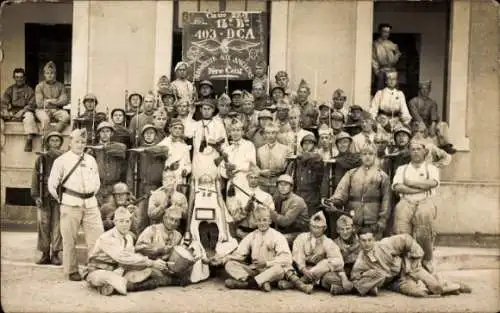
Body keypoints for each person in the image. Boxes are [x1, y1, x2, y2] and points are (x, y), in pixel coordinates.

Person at [48, 129, 104, 281]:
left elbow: (97, 181)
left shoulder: (91, 160)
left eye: (83, 142)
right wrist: (63, 200)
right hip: (70, 203)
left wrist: (90, 194)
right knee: (69, 239)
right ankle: (71, 270)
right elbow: (52, 185)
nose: (80, 145)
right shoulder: (61, 160)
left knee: (97, 238)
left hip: (91, 204)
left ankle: (94, 268)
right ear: (70, 142)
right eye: (77, 142)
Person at [351, 231, 464, 297]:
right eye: (363, 240)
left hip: (409, 268)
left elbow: (406, 239)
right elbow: (355, 279)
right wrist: (371, 285)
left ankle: (453, 285)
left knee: (436, 287)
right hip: (397, 281)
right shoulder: (361, 261)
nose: (367, 244)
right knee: (419, 293)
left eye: (369, 240)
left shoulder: (385, 244)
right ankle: (436, 287)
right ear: (359, 241)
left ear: (374, 239)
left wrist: (415, 260)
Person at [84, 207, 169, 296]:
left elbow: (131, 257)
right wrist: (150, 262)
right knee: (116, 280)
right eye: (121, 221)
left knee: (151, 274)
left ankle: (112, 287)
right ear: (115, 222)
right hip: (98, 270)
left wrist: (145, 265)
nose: (125, 224)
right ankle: (116, 286)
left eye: (127, 221)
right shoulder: (107, 237)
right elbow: (122, 257)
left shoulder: (128, 238)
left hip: (118, 269)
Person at [392, 139, 440, 273]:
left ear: (424, 151)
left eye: (419, 149)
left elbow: (432, 183)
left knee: (423, 230)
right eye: (413, 149)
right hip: (406, 201)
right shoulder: (402, 169)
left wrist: (410, 183)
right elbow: (398, 187)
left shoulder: (431, 168)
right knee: (402, 231)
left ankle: (426, 261)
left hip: (425, 201)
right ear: (409, 152)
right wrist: (419, 187)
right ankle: (405, 264)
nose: (416, 152)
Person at [219, 207, 293, 292]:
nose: (262, 223)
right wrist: (226, 258)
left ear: (270, 221)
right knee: (230, 264)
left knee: (279, 270)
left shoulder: (277, 236)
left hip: (270, 270)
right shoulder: (252, 235)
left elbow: (287, 259)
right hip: (255, 271)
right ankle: (260, 282)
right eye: (259, 220)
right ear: (256, 222)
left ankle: (247, 285)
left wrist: (266, 263)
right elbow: (240, 254)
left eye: (265, 220)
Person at [327, 143, 391, 240]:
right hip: (353, 221)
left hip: (373, 223)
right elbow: (341, 193)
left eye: (371, 154)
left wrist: (382, 220)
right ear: (361, 156)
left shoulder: (382, 176)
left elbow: (386, 200)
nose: (367, 157)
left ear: (375, 156)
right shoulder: (351, 174)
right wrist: (333, 201)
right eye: (365, 154)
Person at [280, 211, 352, 295]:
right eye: (313, 226)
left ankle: (297, 283)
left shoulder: (328, 242)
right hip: (299, 269)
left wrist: (320, 265)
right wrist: (303, 269)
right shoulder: (302, 237)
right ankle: (301, 282)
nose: (316, 230)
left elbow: (338, 260)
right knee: (286, 262)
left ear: (324, 228)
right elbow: (297, 254)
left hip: (318, 271)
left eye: (319, 227)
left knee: (327, 265)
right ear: (310, 226)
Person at [126, 124, 168, 234]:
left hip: (157, 188)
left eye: (151, 133)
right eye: (146, 133)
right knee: (141, 219)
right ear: (142, 136)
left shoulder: (160, 149)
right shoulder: (136, 152)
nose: (149, 136)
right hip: (141, 188)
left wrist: (145, 150)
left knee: (156, 218)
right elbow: (130, 171)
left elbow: (163, 151)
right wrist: (130, 189)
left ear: (155, 135)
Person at [135, 206, 191, 286]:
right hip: (149, 263)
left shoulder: (177, 235)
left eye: (176, 221)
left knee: (185, 275)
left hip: (165, 267)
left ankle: (162, 280)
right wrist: (159, 249)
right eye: (171, 219)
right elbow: (138, 247)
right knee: (152, 273)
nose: (173, 223)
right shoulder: (152, 229)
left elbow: (175, 256)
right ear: (164, 218)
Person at [31, 131, 64, 265]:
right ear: (48, 142)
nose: (55, 143)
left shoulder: (64, 158)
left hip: (58, 196)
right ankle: (45, 253)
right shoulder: (41, 158)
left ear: (60, 143)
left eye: (57, 140)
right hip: (44, 195)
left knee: (58, 226)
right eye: (52, 140)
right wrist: (36, 195)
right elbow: (35, 177)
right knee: (43, 225)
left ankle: (55, 253)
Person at [227, 168, 275, 241]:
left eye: (256, 178)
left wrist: (259, 212)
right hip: (242, 232)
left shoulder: (267, 196)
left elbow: (270, 216)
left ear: (259, 179)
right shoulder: (238, 196)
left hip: (261, 232)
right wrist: (245, 210)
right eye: (251, 177)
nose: (253, 180)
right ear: (247, 178)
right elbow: (234, 217)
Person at [407, 80, 455, 153]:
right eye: (423, 89)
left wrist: (433, 125)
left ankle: (445, 145)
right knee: (419, 126)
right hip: (416, 123)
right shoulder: (413, 101)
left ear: (429, 90)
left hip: (428, 124)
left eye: (427, 89)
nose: (425, 91)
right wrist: (422, 124)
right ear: (420, 90)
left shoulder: (432, 103)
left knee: (443, 125)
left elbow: (434, 116)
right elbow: (415, 115)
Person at [187, 99, 227, 180]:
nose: (206, 111)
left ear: (213, 110)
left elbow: (225, 144)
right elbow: (187, 133)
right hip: (198, 161)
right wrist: (190, 113)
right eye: (204, 109)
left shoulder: (219, 125)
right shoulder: (195, 124)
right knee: (198, 186)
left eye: (209, 109)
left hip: (213, 160)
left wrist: (219, 148)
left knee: (214, 186)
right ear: (201, 110)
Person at [90, 122, 127, 206]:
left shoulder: (117, 148)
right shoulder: (94, 149)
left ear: (111, 133)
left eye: (107, 131)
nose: (105, 134)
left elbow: (123, 148)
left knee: (110, 212)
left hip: (113, 187)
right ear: (99, 134)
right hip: (97, 187)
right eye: (102, 132)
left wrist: (104, 147)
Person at [287, 135, 324, 216]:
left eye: (310, 143)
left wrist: (302, 156)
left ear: (314, 146)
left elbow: (315, 157)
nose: (307, 146)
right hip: (297, 196)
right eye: (305, 143)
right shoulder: (296, 161)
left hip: (312, 198)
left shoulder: (317, 160)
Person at [1, 68, 37, 151]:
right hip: (13, 111)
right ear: (14, 78)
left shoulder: (29, 90)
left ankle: (29, 140)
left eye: (21, 77)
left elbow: (32, 104)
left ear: (24, 78)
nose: (19, 79)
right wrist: (5, 110)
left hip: (26, 111)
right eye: (17, 77)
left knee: (29, 117)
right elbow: (4, 102)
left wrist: (22, 111)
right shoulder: (10, 89)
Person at [270, 174, 309, 245]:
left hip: (299, 233)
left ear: (291, 187)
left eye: (286, 185)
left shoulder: (297, 201)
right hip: (284, 232)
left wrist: (270, 212)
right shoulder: (276, 198)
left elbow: (285, 222)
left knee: (277, 241)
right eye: (280, 184)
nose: (283, 187)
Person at [34, 61, 70, 134]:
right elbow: (39, 103)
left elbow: (65, 100)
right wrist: (57, 101)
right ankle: (47, 141)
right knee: (45, 120)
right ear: (44, 74)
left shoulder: (60, 86)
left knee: (66, 116)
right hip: (42, 110)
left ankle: (52, 135)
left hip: (56, 110)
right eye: (47, 73)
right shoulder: (39, 86)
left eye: (52, 73)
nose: (50, 75)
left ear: (55, 74)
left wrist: (49, 101)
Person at [256, 123, 291, 195]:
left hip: (279, 184)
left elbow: (288, 169)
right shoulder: (260, 150)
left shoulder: (285, 149)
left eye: (273, 133)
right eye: (268, 133)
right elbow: (257, 166)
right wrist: (262, 172)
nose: (270, 135)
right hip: (263, 184)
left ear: (277, 134)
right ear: (265, 134)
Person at [157, 118, 192, 187]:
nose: (177, 130)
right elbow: (157, 164)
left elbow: (188, 164)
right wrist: (169, 167)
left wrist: (186, 170)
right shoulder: (163, 144)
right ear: (170, 129)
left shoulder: (185, 146)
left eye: (180, 128)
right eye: (175, 128)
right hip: (167, 180)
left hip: (180, 181)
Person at [372, 23, 401, 91]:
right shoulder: (376, 44)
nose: (386, 34)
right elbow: (373, 58)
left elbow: (398, 53)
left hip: (392, 70)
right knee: (381, 92)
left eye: (388, 32)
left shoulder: (392, 44)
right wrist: (376, 71)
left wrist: (395, 58)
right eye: (384, 32)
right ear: (380, 32)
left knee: (394, 91)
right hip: (381, 70)